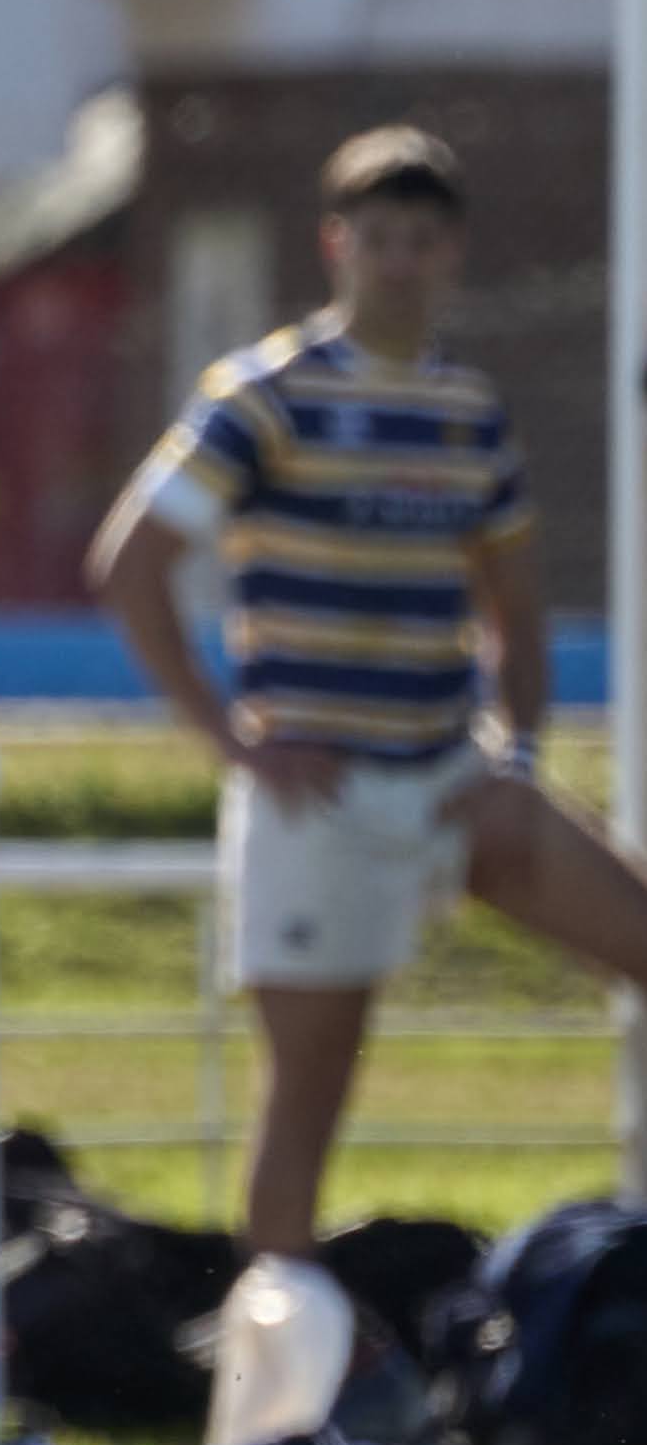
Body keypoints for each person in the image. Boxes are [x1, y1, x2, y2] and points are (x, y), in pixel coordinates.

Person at [90, 128, 647, 1265]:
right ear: (334, 245)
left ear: (454, 254)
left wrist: (516, 758)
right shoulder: (263, 395)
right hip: (318, 796)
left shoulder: (467, 410)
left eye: (423, 241)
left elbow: (515, 607)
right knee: (307, 1098)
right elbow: (129, 564)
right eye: (378, 238)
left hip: (450, 776)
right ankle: (277, 1352)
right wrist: (231, 741)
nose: (400, 263)